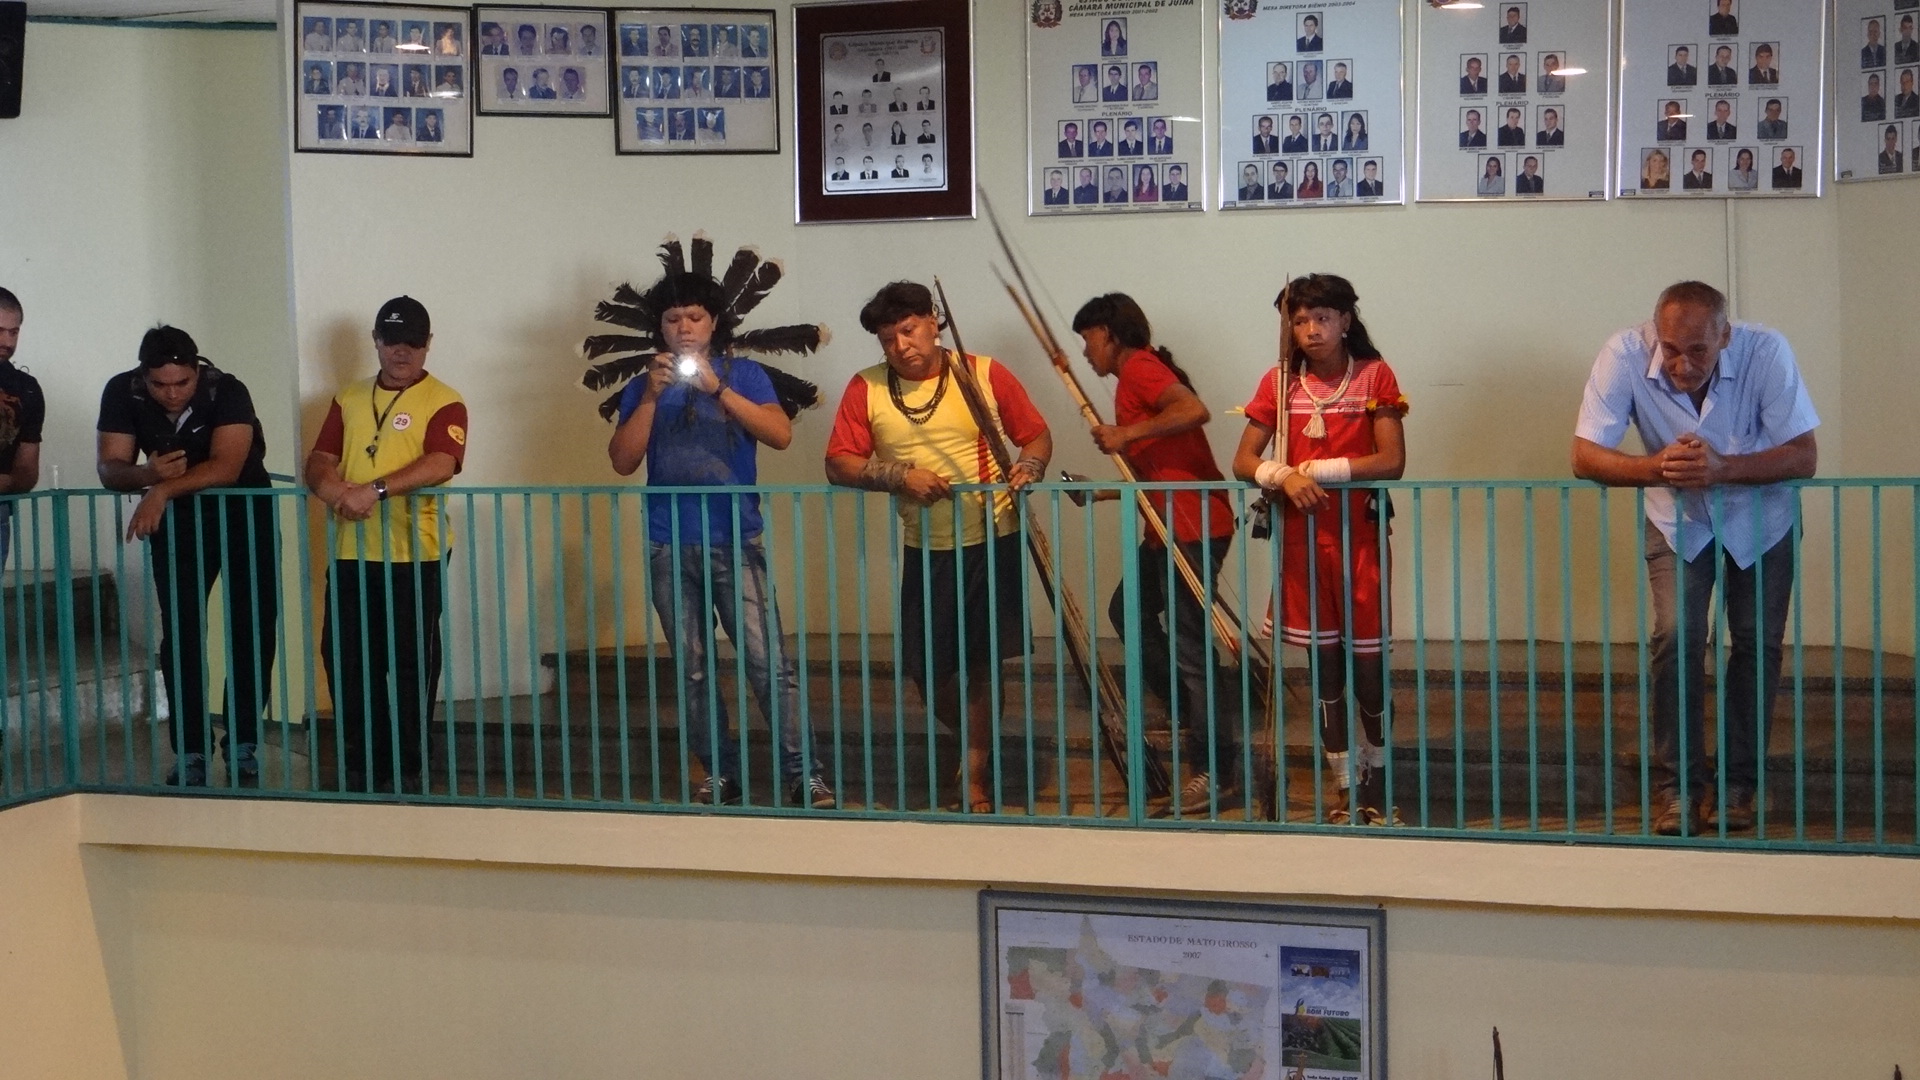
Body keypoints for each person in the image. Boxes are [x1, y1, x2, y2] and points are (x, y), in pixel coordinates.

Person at [1573, 281, 1817, 835]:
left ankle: (1739, 784)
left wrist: (1723, 468)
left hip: (1765, 518)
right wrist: (1659, 467)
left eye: (1698, 350)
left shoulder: (1767, 351)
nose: (1682, 364)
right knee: (1677, 639)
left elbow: (1804, 456)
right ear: (1655, 333)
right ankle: (1678, 788)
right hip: (1676, 518)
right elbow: (1584, 455)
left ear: (1725, 336)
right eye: (1671, 348)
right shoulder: (1623, 353)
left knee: (1756, 644)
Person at [824, 282, 1052, 814]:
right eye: (888, 339)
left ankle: (973, 776)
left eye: (909, 330)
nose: (901, 345)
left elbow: (1035, 434)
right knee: (927, 669)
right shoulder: (866, 387)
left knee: (980, 663)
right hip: (924, 544)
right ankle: (976, 744)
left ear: (934, 321)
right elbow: (838, 463)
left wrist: (1030, 466)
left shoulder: (983, 373)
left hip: (991, 535)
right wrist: (898, 476)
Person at [608, 273, 834, 809]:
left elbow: (780, 435)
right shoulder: (644, 384)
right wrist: (651, 397)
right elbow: (622, 460)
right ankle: (719, 773)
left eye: (695, 317)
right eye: (672, 319)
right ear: (660, 327)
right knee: (692, 670)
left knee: (767, 663)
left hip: (736, 538)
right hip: (668, 541)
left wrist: (717, 388)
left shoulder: (745, 374)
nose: (684, 328)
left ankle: (804, 774)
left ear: (714, 323)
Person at [1232, 274, 1407, 825]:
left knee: (1369, 671)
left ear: (1346, 321)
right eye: (1300, 320)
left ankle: (1380, 783)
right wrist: (1281, 475)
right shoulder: (1279, 382)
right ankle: (1346, 788)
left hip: (1359, 544)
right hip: (1302, 547)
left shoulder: (1374, 374)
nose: (1311, 329)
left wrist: (1319, 470)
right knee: (1325, 673)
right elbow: (1243, 461)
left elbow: (1392, 462)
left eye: (1323, 318)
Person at [1071, 295, 1240, 812]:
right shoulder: (1134, 378)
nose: (1085, 353)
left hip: (1192, 525)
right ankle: (1188, 708)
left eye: (1087, 340)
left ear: (1109, 333)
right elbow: (1158, 470)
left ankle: (1216, 770)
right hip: (1168, 527)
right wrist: (1101, 491)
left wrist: (1127, 433)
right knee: (1128, 610)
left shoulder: (1141, 368)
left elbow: (1193, 410)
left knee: (1192, 648)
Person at [98, 325, 277, 789]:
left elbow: (227, 466)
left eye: (182, 383)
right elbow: (110, 468)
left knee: (252, 627)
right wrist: (146, 473)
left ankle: (242, 744)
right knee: (181, 634)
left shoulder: (227, 389)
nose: (173, 393)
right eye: (160, 384)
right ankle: (192, 750)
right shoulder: (122, 390)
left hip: (244, 515)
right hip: (180, 525)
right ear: (144, 376)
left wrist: (160, 490)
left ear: (197, 371)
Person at [305, 297, 467, 795]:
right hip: (352, 552)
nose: (402, 351)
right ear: (376, 341)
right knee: (348, 661)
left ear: (428, 344)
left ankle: (411, 765)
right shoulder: (348, 397)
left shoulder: (445, 400)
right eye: (393, 340)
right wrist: (335, 492)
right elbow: (319, 459)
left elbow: (442, 462)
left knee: (413, 664)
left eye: (413, 342)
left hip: (415, 554)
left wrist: (372, 491)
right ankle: (362, 762)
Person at [0, 289, 44, 568]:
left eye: (14, 332)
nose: (7, 341)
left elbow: (27, 472)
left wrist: (5, 483)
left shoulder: (26, 389)